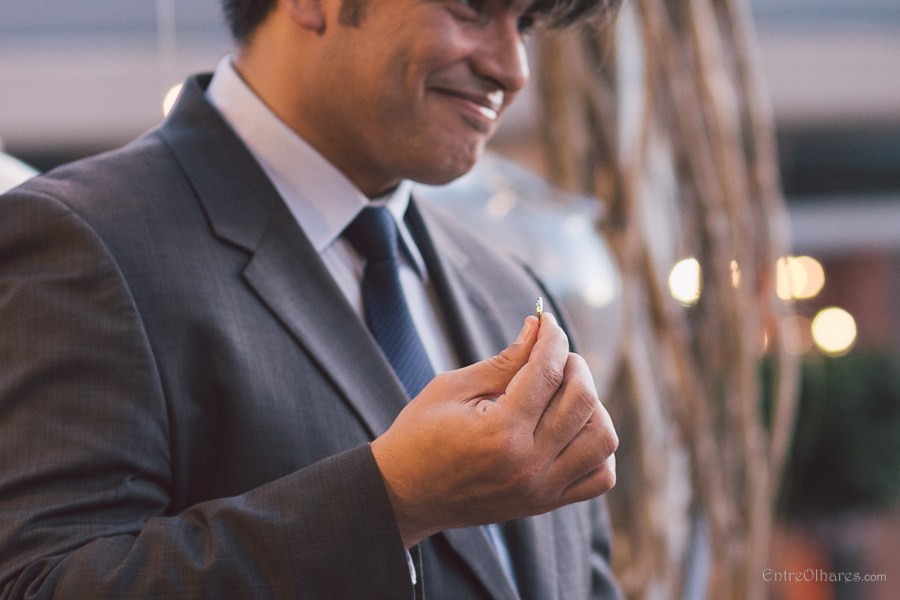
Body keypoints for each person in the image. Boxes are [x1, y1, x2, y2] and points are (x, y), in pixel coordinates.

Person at [0, 0, 622, 597]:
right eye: (469, 6)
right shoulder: (86, 240)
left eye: (526, 21)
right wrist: (391, 500)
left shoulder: (510, 288)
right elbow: (43, 584)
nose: (513, 70)